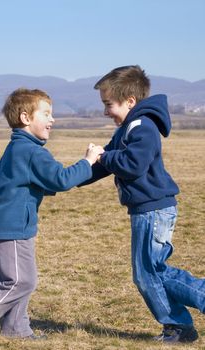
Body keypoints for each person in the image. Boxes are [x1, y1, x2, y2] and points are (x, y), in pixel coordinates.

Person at [79, 65, 205, 343]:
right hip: (147, 210)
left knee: (149, 274)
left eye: (108, 104)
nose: (104, 111)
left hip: (153, 211)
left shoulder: (143, 126)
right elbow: (108, 161)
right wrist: (72, 176)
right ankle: (178, 327)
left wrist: (101, 158)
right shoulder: (128, 127)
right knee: (150, 273)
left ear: (130, 101)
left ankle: (179, 324)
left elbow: (132, 165)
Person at [0, 88, 104, 340]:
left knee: (20, 279)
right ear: (25, 118)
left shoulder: (17, 148)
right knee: (21, 282)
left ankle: (16, 328)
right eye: (47, 113)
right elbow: (60, 179)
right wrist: (87, 161)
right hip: (13, 227)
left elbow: (27, 183)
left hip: (15, 225)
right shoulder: (31, 151)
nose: (53, 119)